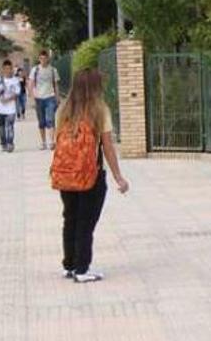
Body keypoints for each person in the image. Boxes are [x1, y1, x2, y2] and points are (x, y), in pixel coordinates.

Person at [54, 68, 129, 283]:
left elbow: (58, 141)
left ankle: (69, 265)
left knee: (70, 218)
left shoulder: (63, 109)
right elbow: (107, 146)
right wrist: (118, 177)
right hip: (91, 175)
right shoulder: (99, 110)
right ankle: (82, 269)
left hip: (66, 174)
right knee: (86, 223)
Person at [30, 51, 60, 150]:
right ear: (39, 59)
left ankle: (52, 142)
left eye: (45, 58)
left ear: (48, 59)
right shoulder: (35, 70)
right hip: (39, 98)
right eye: (41, 58)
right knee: (41, 121)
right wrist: (32, 98)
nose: (43, 60)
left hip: (50, 97)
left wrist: (57, 97)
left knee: (50, 119)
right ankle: (43, 142)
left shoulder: (52, 70)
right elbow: (31, 85)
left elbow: (56, 84)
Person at [0, 59, 21, 152]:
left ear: (12, 69)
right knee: (1, 127)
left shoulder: (15, 80)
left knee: (10, 126)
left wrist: (7, 99)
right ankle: (3, 143)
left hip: (11, 108)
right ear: (3, 69)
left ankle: (10, 143)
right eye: (6, 69)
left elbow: (17, 93)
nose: (8, 70)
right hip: (0, 108)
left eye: (9, 68)